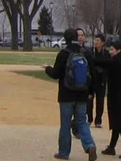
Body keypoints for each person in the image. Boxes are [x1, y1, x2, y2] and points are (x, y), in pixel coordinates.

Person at [44, 28, 98, 161]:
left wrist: (47, 68)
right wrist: (91, 92)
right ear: (76, 37)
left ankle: (64, 152)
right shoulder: (85, 52)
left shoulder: (63, 53)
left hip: (66, 93)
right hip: (82, 93)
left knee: (66, 124)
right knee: (81, 121)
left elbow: (55, 74)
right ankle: (89, 144)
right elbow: (92, 74)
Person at [93, 40, 121, 158]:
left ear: (119, 51)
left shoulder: (117, 60)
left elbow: (103, 62)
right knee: (118, 122)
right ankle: (111, 147)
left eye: (112, 49)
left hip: (118, 98)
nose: (110, 52)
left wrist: (89, 57)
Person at [87, 35, 109, 128]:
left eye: (98, 40)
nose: (95, 42)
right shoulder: (90, 52)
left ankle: (98, 120)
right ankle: (89, 119)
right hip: (91, 80)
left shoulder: (106, 53)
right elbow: (90, 62)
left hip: (101, 80)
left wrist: (97, 62)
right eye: (95, 40)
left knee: (100, 101)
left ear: (102, 42)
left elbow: (107, 64)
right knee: (89, 101)